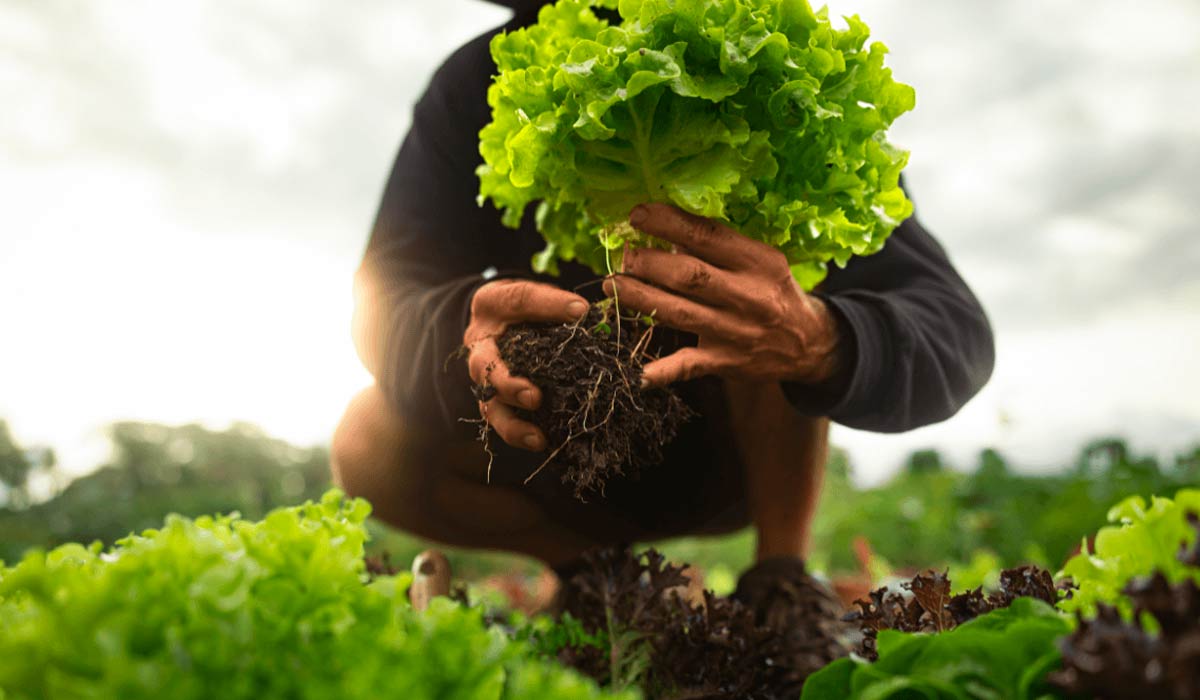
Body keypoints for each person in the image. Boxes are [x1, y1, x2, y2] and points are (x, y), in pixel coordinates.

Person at [331, 1, 994, 623]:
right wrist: (460, 331)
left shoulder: (765, 58)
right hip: (549, 449)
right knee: (364, 442)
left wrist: (820, 340)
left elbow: (952, 328)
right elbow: (384, 298)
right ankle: (595, 577)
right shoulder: (479, 82)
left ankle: (782, 583)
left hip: (733, 457)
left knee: (757, 282)